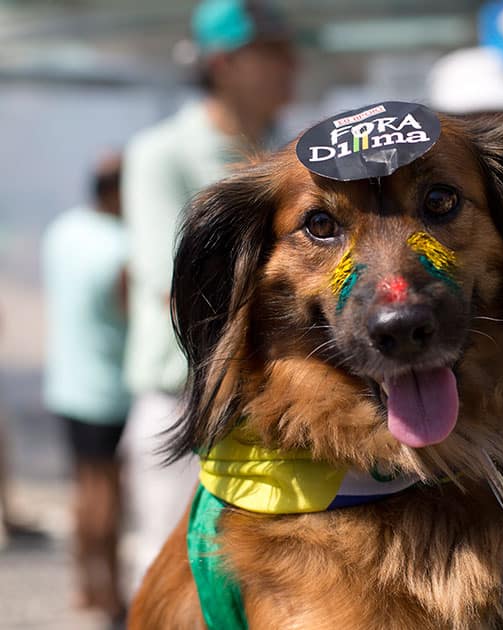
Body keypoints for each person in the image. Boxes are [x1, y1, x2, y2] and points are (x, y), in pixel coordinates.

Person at [118, 0, 298, 595]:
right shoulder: (160, 154)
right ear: (223, 63)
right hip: (186, 398)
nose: (290, 63)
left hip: (272, 404)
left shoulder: (287, 152)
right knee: (178, 574)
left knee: (280, 576)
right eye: (270, 51)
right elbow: (174, 287)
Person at [41, 152, 130, 624]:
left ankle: (83, 586)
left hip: (66, 382)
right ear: (117, 192)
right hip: (106, 389)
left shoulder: (64, 229)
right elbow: (131, 314)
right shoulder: (121, 250)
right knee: (107, 494)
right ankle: (111, 592)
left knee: (82, 488)